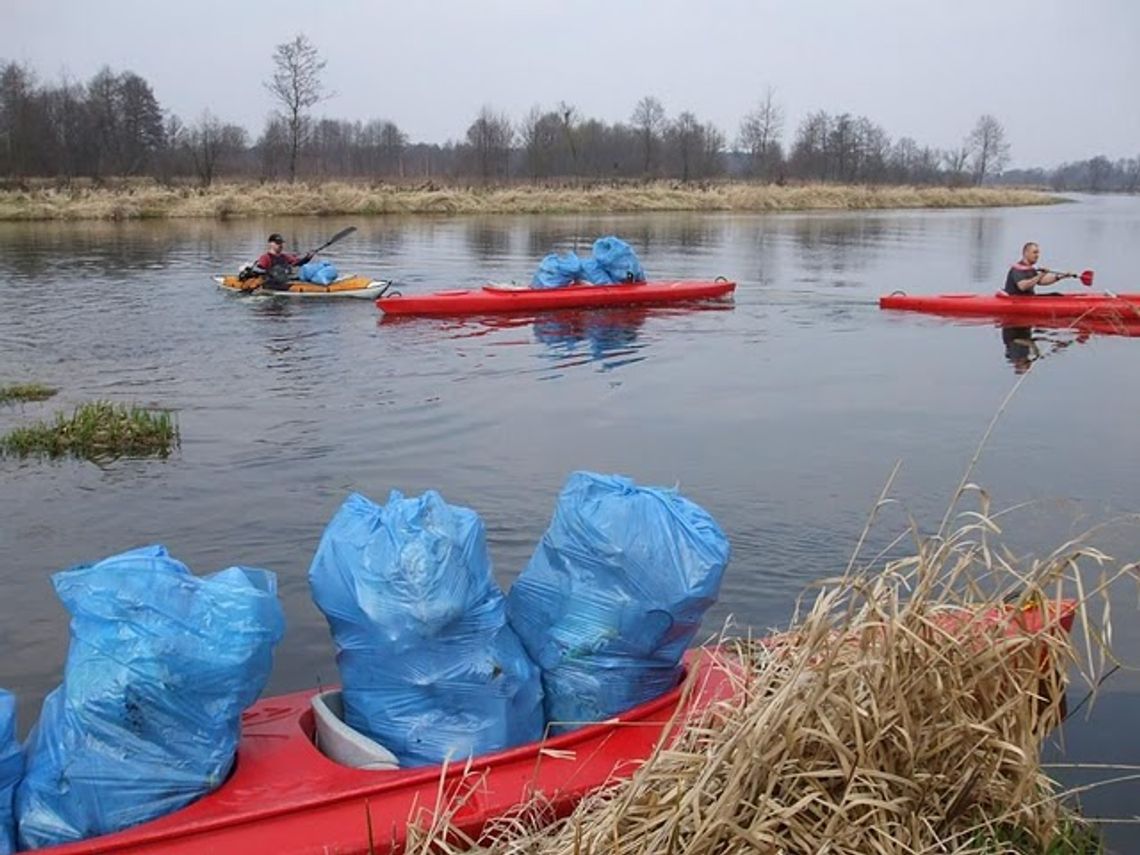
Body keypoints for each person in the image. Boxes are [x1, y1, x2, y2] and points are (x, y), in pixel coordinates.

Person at [238, 234, 313, 290]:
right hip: (270, 284)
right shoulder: (265, 257)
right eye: (277, 243)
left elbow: (298, 263)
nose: (280, 245)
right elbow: (259, 271)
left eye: (281, 243)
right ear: (271, 244)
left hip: (283, 282)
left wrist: (307, 258)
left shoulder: (285, 256)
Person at [1003, 242, 1077, 295]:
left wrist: (1061, 276)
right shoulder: (1017, 269)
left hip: (1029, 299)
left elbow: (1041, 281)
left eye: (1038, 253)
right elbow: (1023, 286)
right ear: (1026, 253)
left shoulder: (1030, 269)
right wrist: (1041, 275)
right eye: (1034, 252)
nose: (1037, 255)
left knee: (1056, 295)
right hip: (1015, 301)